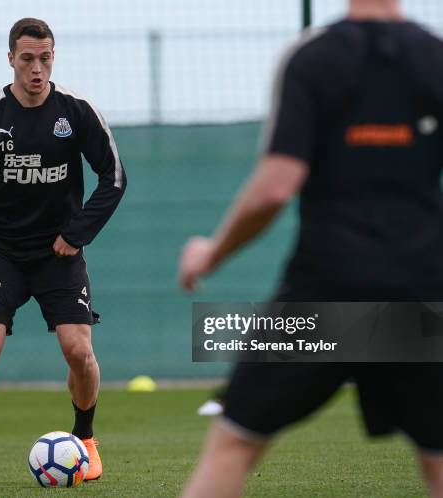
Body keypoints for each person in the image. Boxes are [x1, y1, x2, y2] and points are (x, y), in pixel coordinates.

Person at [179, 0, 443, 496]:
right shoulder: (434, 57)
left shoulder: (312, 58)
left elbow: (275, 187)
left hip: (325, 292)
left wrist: (211, 253)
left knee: (233, 445)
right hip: (418, 291)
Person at [0, 18, 126, 487]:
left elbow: (114, 178)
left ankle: (85, 441)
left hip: (59, 253)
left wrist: (77, 233)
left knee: (78, 350)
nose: (36, 69)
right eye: (27, 59)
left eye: (45, 58)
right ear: (11, 59)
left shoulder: (76, 112)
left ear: (53, 57)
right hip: (0, 251)